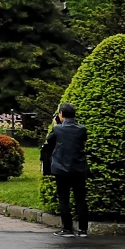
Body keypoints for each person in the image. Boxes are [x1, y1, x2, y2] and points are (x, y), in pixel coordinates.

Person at [42, 102, 91, 238]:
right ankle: (83, 230)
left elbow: (49, 140)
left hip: (61, 168)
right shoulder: (82, 129)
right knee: (80, 198)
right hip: (78, 168)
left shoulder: (57, 129)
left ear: (61, 114)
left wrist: (56, 125)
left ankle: (67, 229)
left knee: (64, 198)